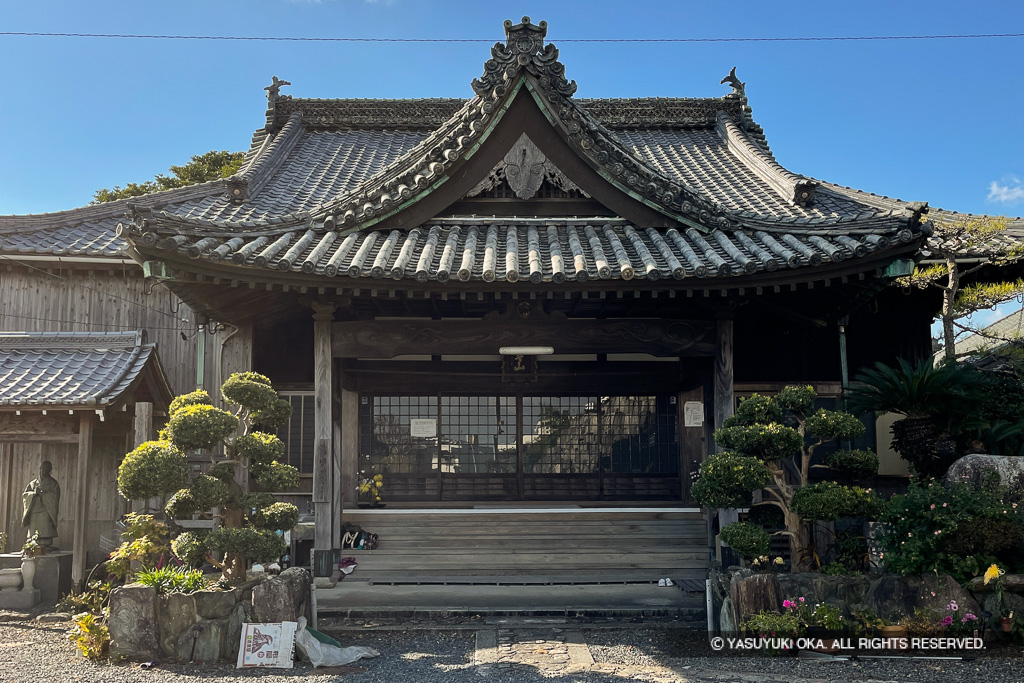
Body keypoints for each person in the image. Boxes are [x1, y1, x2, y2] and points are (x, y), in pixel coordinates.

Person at [22, 460, 60, 549]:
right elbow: (25, 495)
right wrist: (33, 494)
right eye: (41, 468)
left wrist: (42, 494)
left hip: (46, 511)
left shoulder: (53, 483)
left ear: (50, 470)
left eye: (45, 469)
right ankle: (33, 543)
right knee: (34, 530)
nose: (42, 471)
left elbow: (54, 496)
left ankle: (45, 543)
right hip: (35, 510)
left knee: (45, 529)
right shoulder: (33, 483)